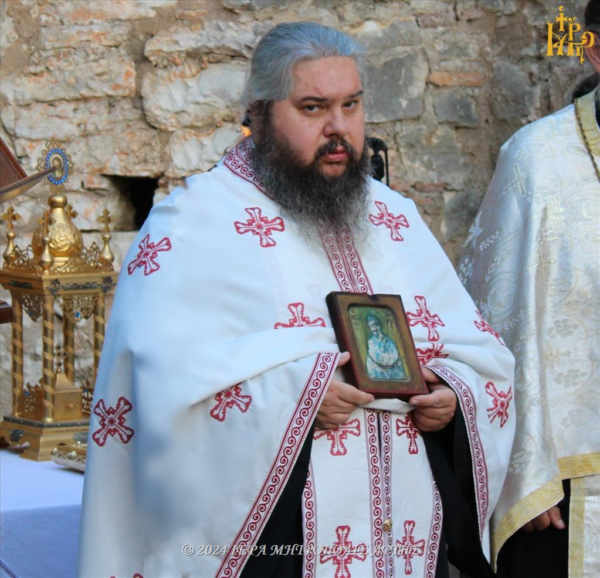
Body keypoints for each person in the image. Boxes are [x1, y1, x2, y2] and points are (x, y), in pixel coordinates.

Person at [79, 22, 515, 578]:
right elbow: (155, 385)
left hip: (403, 535)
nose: (339, 129)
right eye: (313, 108)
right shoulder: (193, 223)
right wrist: (298, 399)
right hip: (278, 547)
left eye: (351, 105)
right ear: (258, 114)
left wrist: (453, 394)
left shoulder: (395, 217)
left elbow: (480, 352)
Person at [458, 2, 600, 576]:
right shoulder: (537, 161)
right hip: (570, 485)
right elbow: (492, 318)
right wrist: (522, 471)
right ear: (595, 51)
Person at [365, 313, 406, 380]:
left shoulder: (388, 341)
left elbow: (395, 356)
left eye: (376, 325)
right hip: (377, 372)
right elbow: (374, 358)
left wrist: (387, 358)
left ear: (380, 326)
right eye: (372, 326)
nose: (374, 328)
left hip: (392, 371)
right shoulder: (370, 342)